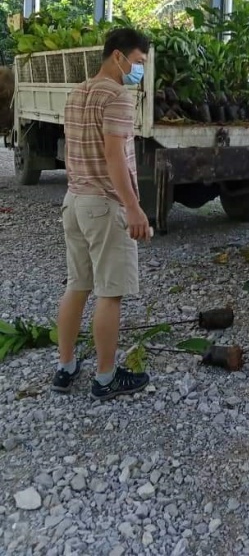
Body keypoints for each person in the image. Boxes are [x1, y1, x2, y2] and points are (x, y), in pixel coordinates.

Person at [52, 28, 152, 401]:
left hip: (75, 201)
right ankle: (106, 378)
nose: (139, 70)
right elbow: (114, 158)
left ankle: (65, 368)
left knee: (77, 285)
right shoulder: (117, 96)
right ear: (118, 57)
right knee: (111, 294)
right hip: (105, 206)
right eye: (138, 62)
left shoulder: (77, 93)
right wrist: (133, 207)